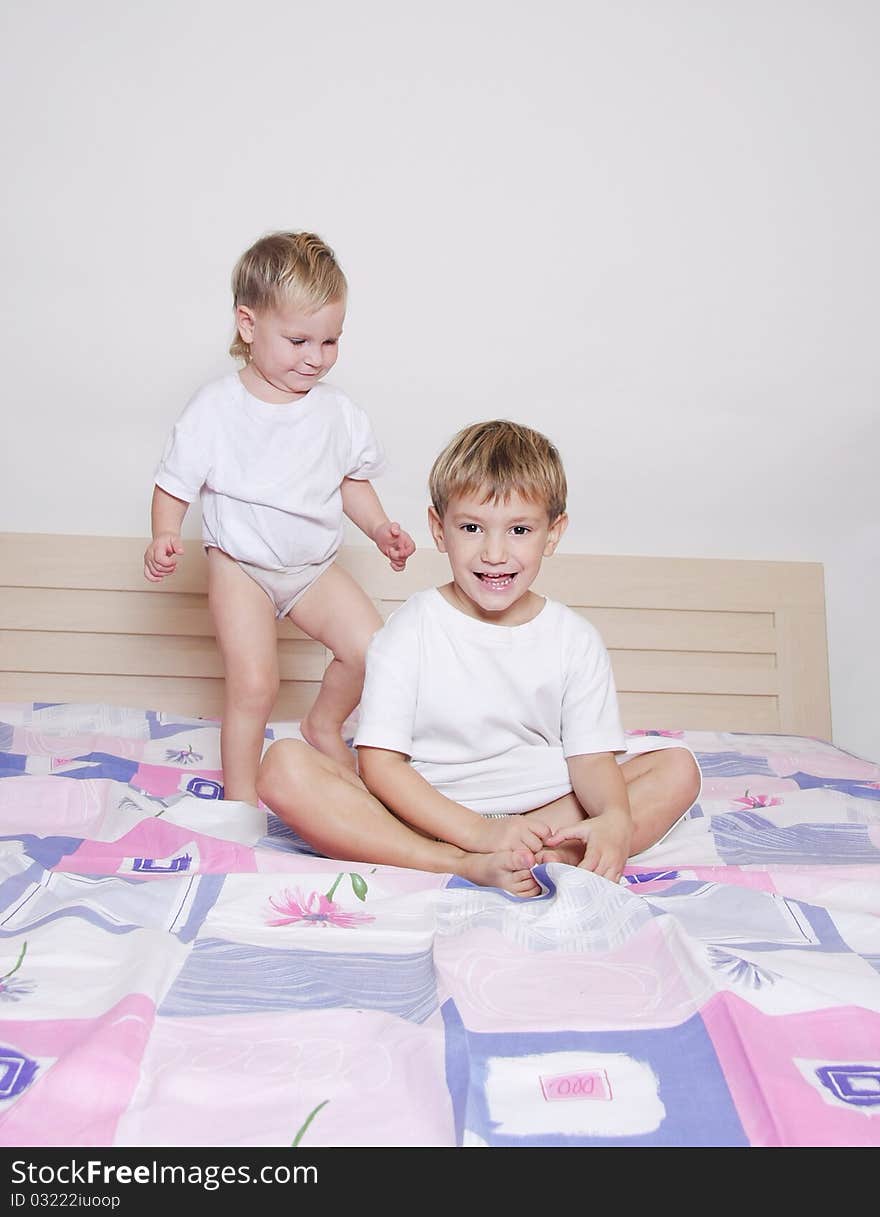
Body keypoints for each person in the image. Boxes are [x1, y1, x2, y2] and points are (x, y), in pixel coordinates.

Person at [257, 420, 701, 896]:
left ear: (552, 534)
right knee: (283, 765)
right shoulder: (409, 631)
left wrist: (614, 819)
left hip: (546, 808)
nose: (494, 552)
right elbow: (380, 766)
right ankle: (454, 863)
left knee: (677, 769)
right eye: (472, 527)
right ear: (439, 530)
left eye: (519, 530)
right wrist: (477, 833)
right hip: (427, 814)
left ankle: (550, 857)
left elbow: (592, 761)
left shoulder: (575, 639)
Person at [144, 231, 415, 805]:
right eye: (297, 340)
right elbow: (175, 482)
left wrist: (381, 528)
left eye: (330, 341)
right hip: (240, 566)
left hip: (312, 568)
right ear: (248, 325)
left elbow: (349, 482)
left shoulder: (337, 413)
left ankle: (322, 725)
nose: (314, 357)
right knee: (254, 684)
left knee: (375, 650)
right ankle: (240, 801)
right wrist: (165, 533)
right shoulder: (217, 408)